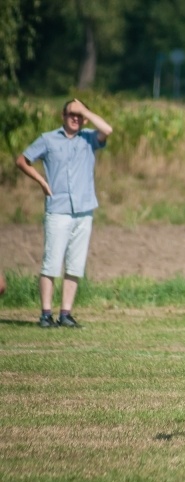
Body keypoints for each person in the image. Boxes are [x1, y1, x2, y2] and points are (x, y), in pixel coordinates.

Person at [15, 99, 113, 328]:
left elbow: (107, 130)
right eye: (71, 113)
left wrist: (85, 109)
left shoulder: (89, 138)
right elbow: (22, 160)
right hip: (58, 209)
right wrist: (41, 181)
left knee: (75, 264)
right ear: (63, 115)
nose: (75, 118)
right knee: (51, 262)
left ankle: (66, 313)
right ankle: (46, 314)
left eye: (79, 115)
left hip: (83, 210)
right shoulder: (48, 139)